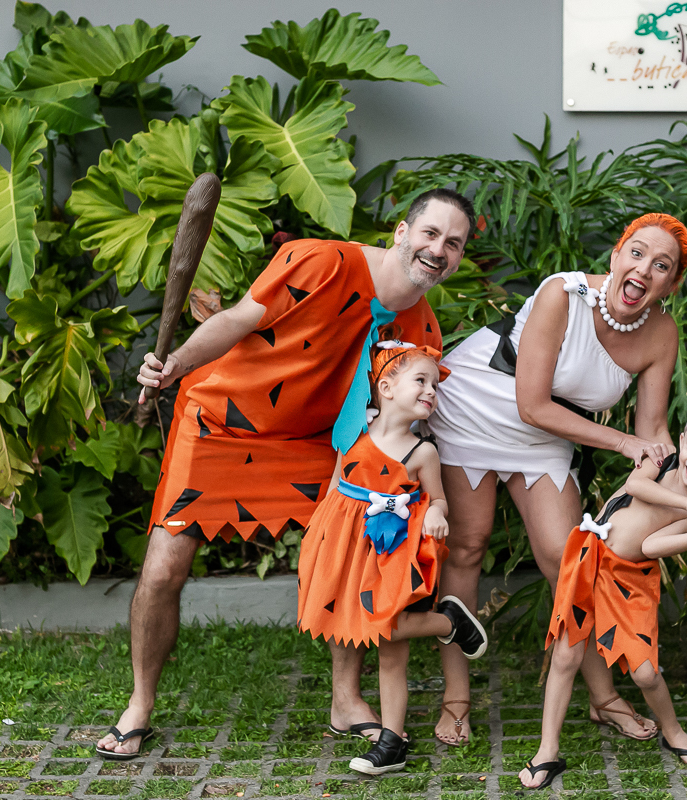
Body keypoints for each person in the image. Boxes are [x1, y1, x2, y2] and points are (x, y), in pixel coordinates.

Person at [96, 190, 474, 760]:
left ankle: (346, 700)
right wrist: (178, 364)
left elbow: (392, 416)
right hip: (226, 420)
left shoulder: (419, 327)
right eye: (430, 234)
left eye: (453, 243)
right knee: (165, 566)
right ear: (401, 232)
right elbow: (237, 319)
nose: (438, 250)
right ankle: (140, 704)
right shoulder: (320, 263)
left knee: (353, 558)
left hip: (321, 441)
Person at [427, 213, 687, 745]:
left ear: (671, 283)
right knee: (467, 548)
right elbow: (531, 404)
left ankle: (603, 697)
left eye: (661, 265)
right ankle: (456, 699)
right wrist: (623, 444)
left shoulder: (661, 332)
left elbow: (652, 429)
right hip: (475, 407)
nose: (643, 269)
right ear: (616, 256)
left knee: (571, 560)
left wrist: (681, 482)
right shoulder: (561, 295)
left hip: (546, 438)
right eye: (636, 253)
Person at [519, 392, 687, 789]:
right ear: (681, 440)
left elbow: (650, 548)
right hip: (589, 560)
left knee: (646, 674)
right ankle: (548, 751)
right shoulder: (660, 459)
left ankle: (673, 731)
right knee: (565, 656)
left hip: (630, 581)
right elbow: (636, 485)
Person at [297, 339, 488, 775]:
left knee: (390, 641)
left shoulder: (423, 452)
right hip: (351, 548)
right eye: (421, 381)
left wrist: (437, 514)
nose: (430, 392)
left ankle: (390, 739)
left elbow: (437, 500)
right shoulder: (353, 434)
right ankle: (447, 626)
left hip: (397, 552)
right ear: (385, 386)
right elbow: (334, 488)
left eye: (435, 386)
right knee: (380, 634)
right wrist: (320, 540)